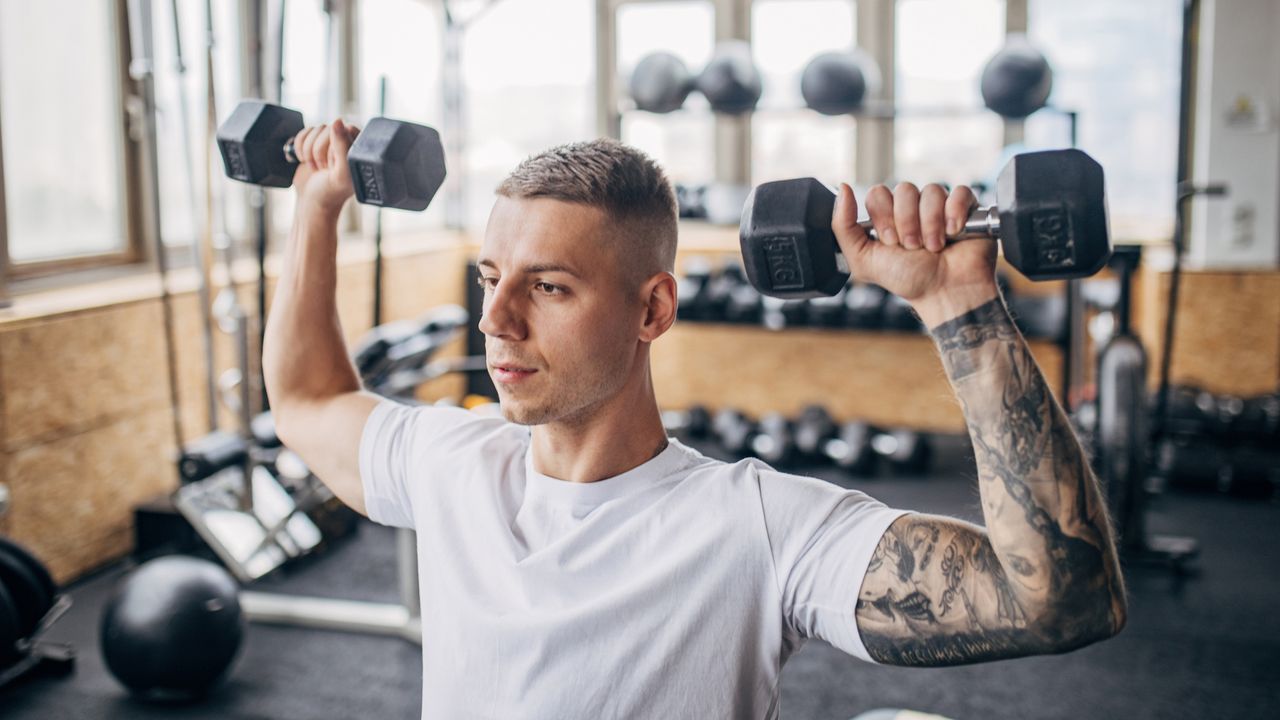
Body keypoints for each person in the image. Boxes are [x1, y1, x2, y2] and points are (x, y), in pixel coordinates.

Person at [262, 118, 1127, 719]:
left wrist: (960, 303)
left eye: (548, 286)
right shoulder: (453, 460)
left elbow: (1059, 604)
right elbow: (306, 400)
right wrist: (316, 206)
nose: (495, 320)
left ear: (654, 310)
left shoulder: (759, 530)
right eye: (492, 278)